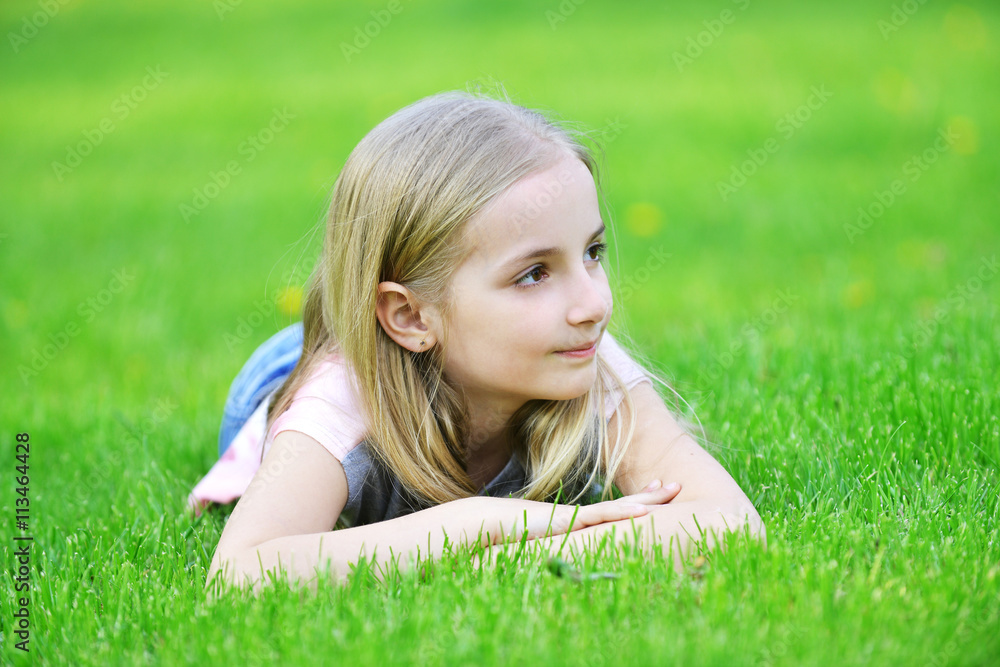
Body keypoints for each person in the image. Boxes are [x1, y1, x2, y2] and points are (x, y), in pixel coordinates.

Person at [190, 90, 764, 593]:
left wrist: (510, 559)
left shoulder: (581, 352)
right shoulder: (338, 407)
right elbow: (240, 574)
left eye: (592, 252)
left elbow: (729, 522)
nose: (594, 305)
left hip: (401, 341)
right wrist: (477, 522)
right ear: (411, 316)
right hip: (303, 370)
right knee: (304, 377)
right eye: (534, 274)